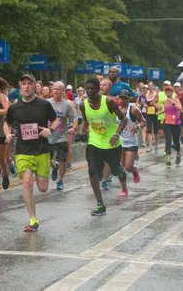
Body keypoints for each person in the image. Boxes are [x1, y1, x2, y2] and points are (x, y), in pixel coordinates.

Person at [4, 74, 59, 231]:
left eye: (30, 84)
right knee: (27, 182)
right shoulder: (14, 107)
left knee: (42, 188)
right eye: (24, 84)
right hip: (22, 151)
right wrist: (7, 133)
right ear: (19, 87)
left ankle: (48, 166)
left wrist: (50, 129)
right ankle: (33, 219)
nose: (27, 86)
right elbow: (6, 123)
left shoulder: (43, 104)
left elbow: (55, 120)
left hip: (42, 150)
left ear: (35, 86)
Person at [80, 78, 128, 215]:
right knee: (92, 171)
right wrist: (81, 131)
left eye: (92, 89)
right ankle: (100, 204)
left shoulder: (108, 102)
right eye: (87, 89)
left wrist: (117, 134)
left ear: (98, 89)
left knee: (115, 170)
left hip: (111, 142)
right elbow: (85, 121)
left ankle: (121, 173)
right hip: (94, 142)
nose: (89, 91)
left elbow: (123, 119)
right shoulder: (83, 105)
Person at [48, 81, 77, 191]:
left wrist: (73, 127)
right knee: (48, 160)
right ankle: (54, 167)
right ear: (52, 90)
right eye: (54, 89)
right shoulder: (47, 103)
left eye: (59, 89)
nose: (56, 91)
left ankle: (60, 180)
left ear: (63, 91)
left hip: (61, 136)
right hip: (49, 136)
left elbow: (74, 118)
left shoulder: (67, 105)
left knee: (62, 160)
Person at [118, 90, 144, 183]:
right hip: (120, 142)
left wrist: (137, 126)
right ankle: (123, 188)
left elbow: (143, 121)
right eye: (121, 98)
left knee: (128, 167)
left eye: (125, 98)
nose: (122, 100)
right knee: (123, 165)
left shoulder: (133, 109)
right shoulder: (117, 109)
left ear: (129, 99)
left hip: (131, 142)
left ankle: (134, 170)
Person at [159, 86, 183, 165]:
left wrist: (173, 103)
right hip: (167, 122)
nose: (168, 92)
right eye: (166, 91)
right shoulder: (165, 101)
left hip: (175, 122)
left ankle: (178, 153)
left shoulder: (175, 99)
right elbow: (166, 110)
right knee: (168, 139)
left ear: (172, 92)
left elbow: (180, 108)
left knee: (176, 140)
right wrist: (160, 112)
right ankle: (168, 158)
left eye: (169, 91)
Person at [145, 81, 159, 152]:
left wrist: (154, 103)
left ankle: (156, 144)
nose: (150, 87)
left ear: (153, 86)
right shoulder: (146, 94)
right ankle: (150, 146)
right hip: (148, 114)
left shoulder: (156, 94)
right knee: (149, 130)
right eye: (149, 85)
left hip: (155, 113)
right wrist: (145, 105)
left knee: (156, 131)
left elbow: (156, 102)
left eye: (151, 85)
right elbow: (144, 102)